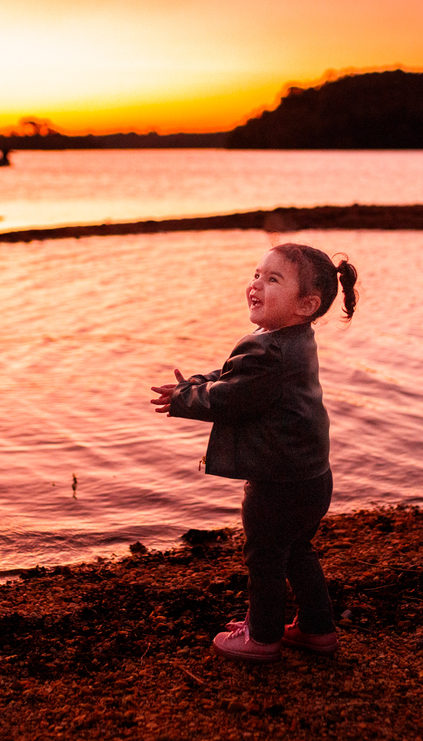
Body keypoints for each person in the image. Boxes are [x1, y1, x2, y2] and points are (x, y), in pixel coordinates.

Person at [150, 242, 359, 663]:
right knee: (297, 549)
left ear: (307, 304)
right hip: (310, 476)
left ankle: (262, 637)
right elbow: (234, 377)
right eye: (257, 274)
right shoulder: (293, 338)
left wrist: (183, 400)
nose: (256, 284)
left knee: (264, 556)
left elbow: (230, 398)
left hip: (277, 483)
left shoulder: (270, 349)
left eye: (273, 279)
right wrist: (192, 384)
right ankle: (318, 629)